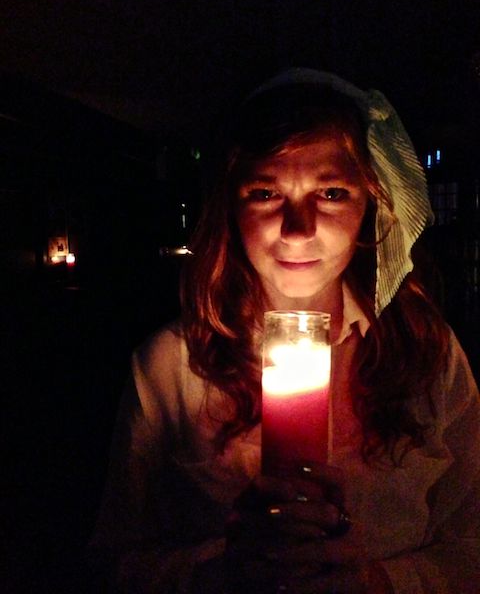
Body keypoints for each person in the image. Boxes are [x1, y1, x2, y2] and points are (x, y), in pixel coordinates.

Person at [90, 69, 480, 593]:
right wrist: (221, 573)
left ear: (372, 205)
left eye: (333, 192)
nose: (299, 229)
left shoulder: (428, 355)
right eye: (265, 192)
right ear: (231, 207)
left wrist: (378, 582)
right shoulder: (170, 365)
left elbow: (471, 542)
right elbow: (115, 561)